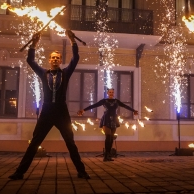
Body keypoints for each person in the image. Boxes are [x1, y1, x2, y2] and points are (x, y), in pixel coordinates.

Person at [9, 30, 90, 180]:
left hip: (61, 110)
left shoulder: (65, 73)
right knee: (35, 142)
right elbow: (31, 61)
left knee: (70, 142)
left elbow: (76, 58)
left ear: (60, 61)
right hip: (47, 110)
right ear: (49, 60)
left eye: (57, 58)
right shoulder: (43, 73)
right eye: (52, 58)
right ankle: (19, 172)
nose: (54, 60)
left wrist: (72, 40)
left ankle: (82, 171)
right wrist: (34, 44)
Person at [77, 88, 138, 161]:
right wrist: (84, 110)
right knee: (108, 136)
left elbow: (125, 106)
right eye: (110, 92)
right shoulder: (104, 101)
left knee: (111, 138)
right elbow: (94, 105)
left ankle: (108, 155)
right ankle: (105, 156)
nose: (111, 93)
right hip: (106, 119)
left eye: (112, 92)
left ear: (114, 93)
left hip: (114, 120)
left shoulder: (116, 101)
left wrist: (133, 111)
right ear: (107, 93)